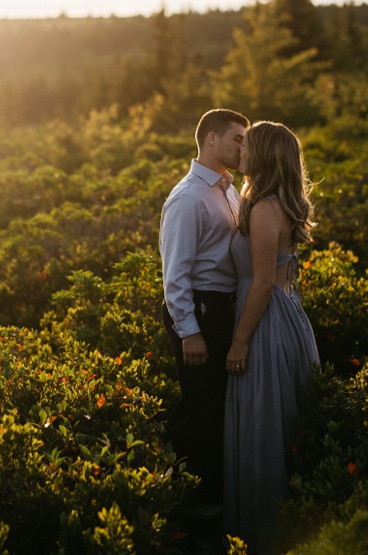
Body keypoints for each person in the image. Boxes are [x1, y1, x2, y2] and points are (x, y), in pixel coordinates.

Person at [223, 121, 320, 553]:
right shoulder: (278, 203)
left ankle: (265, 539)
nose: (240, 151)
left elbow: (262, 283)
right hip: (286, 312)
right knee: (279, 423)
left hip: (262, 322)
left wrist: (240, 340)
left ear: (262, 155)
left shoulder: (263, 208)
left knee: (263, 425)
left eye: (247, 146)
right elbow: (286, 275)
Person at [159, 108, 249, 510]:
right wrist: (189, 331)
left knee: (217, 404)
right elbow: (174, 274)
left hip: (222, 308)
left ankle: (214, 491)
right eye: (237, 139)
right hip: (199, 310)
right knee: (200, 406)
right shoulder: (187, 197)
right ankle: (186, 501)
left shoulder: (229, 189)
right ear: (211, 139)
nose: (242, 147)